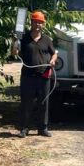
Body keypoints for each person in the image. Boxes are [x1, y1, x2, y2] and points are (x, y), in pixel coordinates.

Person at [15, 10, 58, 138]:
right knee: (26, 102)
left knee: (44, 102)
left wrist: (53, 60)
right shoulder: (24, 38)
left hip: (44, 76)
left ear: (43, 25)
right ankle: (24, 128)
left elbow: (54, 53)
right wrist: (14, 42)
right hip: (28, 76)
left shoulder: (47, 39)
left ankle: (42, 128)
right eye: (35, 22)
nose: (38, 25)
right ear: (31, 23)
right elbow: (14, 53)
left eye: (40, 23)